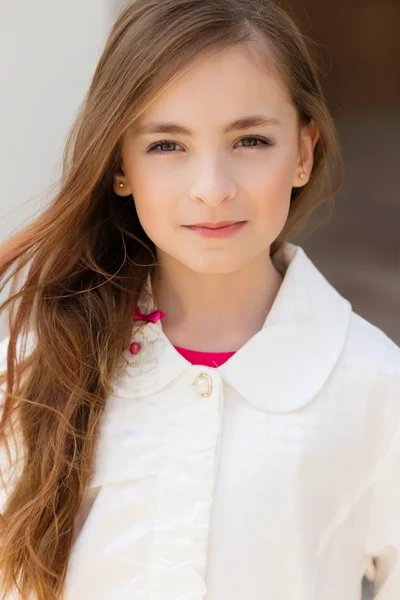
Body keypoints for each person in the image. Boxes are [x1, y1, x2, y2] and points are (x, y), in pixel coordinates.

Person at [0, 0, 399, 598]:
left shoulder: (374, 384)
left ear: (304, 153)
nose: (212, 188)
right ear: (119, 165)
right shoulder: (31, 357)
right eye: (167, 145)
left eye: (251, 140)